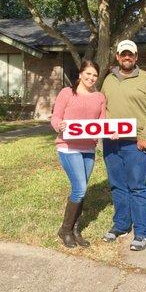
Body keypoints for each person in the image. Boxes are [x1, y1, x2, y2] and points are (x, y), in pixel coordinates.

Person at [101, 40, 146, 251]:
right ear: (117, 57)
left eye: (130, 54)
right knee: (117, 185)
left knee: (137, 187)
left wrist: (145, 135)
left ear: (136, 57)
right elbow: (103, 108)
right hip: (112, 142)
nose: (126, 58)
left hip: (136, 142)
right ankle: (121, 224)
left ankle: (141, 232)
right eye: (123, 54)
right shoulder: (109, 80)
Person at [50, 59, 105, 248]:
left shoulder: (99, 97)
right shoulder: (67, 93)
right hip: (68, 146)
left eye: (95, 75)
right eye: (88, 74)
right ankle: (65, 230)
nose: (91, 78)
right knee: (80, 188)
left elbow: (102, 122)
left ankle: (75, 229)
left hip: (88, 148)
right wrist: (59, 125)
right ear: (80, 74)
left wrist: (111, 131)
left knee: (80, 190)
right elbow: (56, 116)